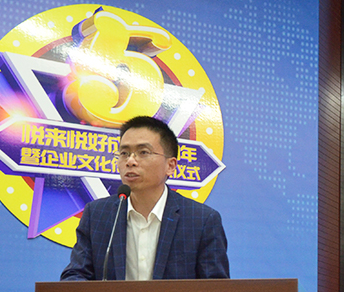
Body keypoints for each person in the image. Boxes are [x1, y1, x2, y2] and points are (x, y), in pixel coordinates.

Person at [60, 116, 229, 280]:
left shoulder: (201, 220)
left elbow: (215, 290)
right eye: (124, 153)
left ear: (170, 166)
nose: (130, 161)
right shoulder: (97, 215)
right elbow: (76, 275)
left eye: (143, 152)